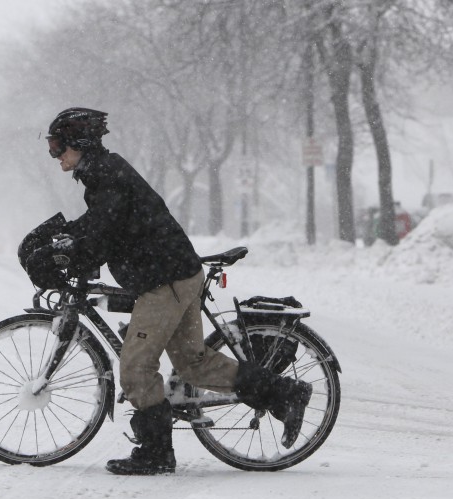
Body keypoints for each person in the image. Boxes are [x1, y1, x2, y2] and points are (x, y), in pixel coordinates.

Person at [42, 107, 312, 475]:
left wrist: (69, 252)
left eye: (58, 146)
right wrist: (70, 240)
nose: (55, 155)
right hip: (178, 272)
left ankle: (156, 453)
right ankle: (284, 394)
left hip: (163, 279)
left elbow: (103, 230)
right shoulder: (104, 173)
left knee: (136, 367)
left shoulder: (106, 176)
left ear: (80, 143)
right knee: (193, 364)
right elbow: (100, 225)